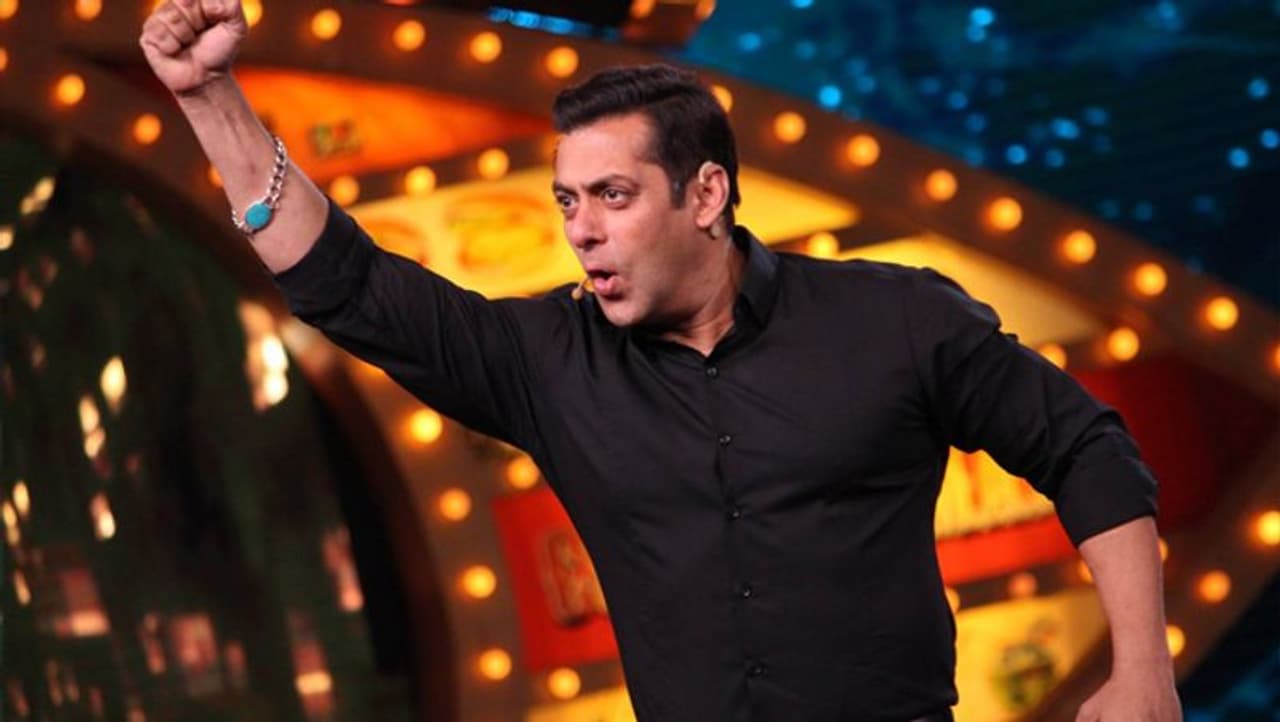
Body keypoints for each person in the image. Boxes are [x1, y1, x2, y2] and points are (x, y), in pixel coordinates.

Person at [140, 2, 1184, 721]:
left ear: (705, 194)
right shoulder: (547, 360)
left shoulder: (892, 318)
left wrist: (1143, 671)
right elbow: (348, 283)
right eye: (566, 201)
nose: (580, 230)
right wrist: (210, 98)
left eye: (612, 196)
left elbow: (1085, 445)